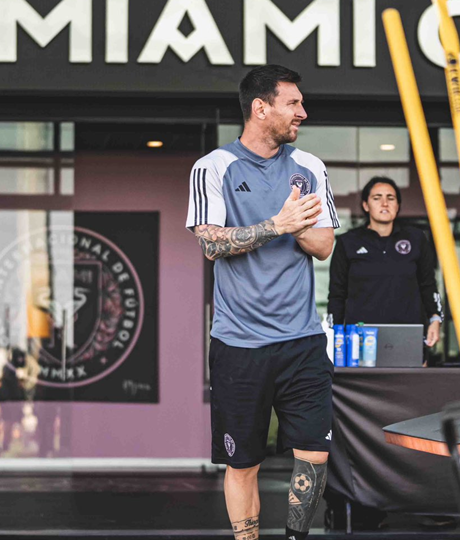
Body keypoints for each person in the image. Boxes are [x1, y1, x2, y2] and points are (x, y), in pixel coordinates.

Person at [186, 65, 338, 540]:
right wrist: (277, 225)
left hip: (302, 339)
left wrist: (297, 226)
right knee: (243, 462)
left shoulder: (309, 167)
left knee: (315, 453)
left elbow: (325, 244)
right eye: (293, 103)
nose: (302, 112)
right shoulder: (213, 168)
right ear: (261, 108)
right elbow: (210, 244)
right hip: (239, 343)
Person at [327, 176, 443, 357]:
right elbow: (336, 294)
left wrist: (435, 318)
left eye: (391, 198)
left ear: (398, 205)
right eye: (377, 198)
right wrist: (335, 334)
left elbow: (428, 285)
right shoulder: (347, 242)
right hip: (361, 338)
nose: (384, 203)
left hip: (407, 336)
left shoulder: (416, 239)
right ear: (366, 205)